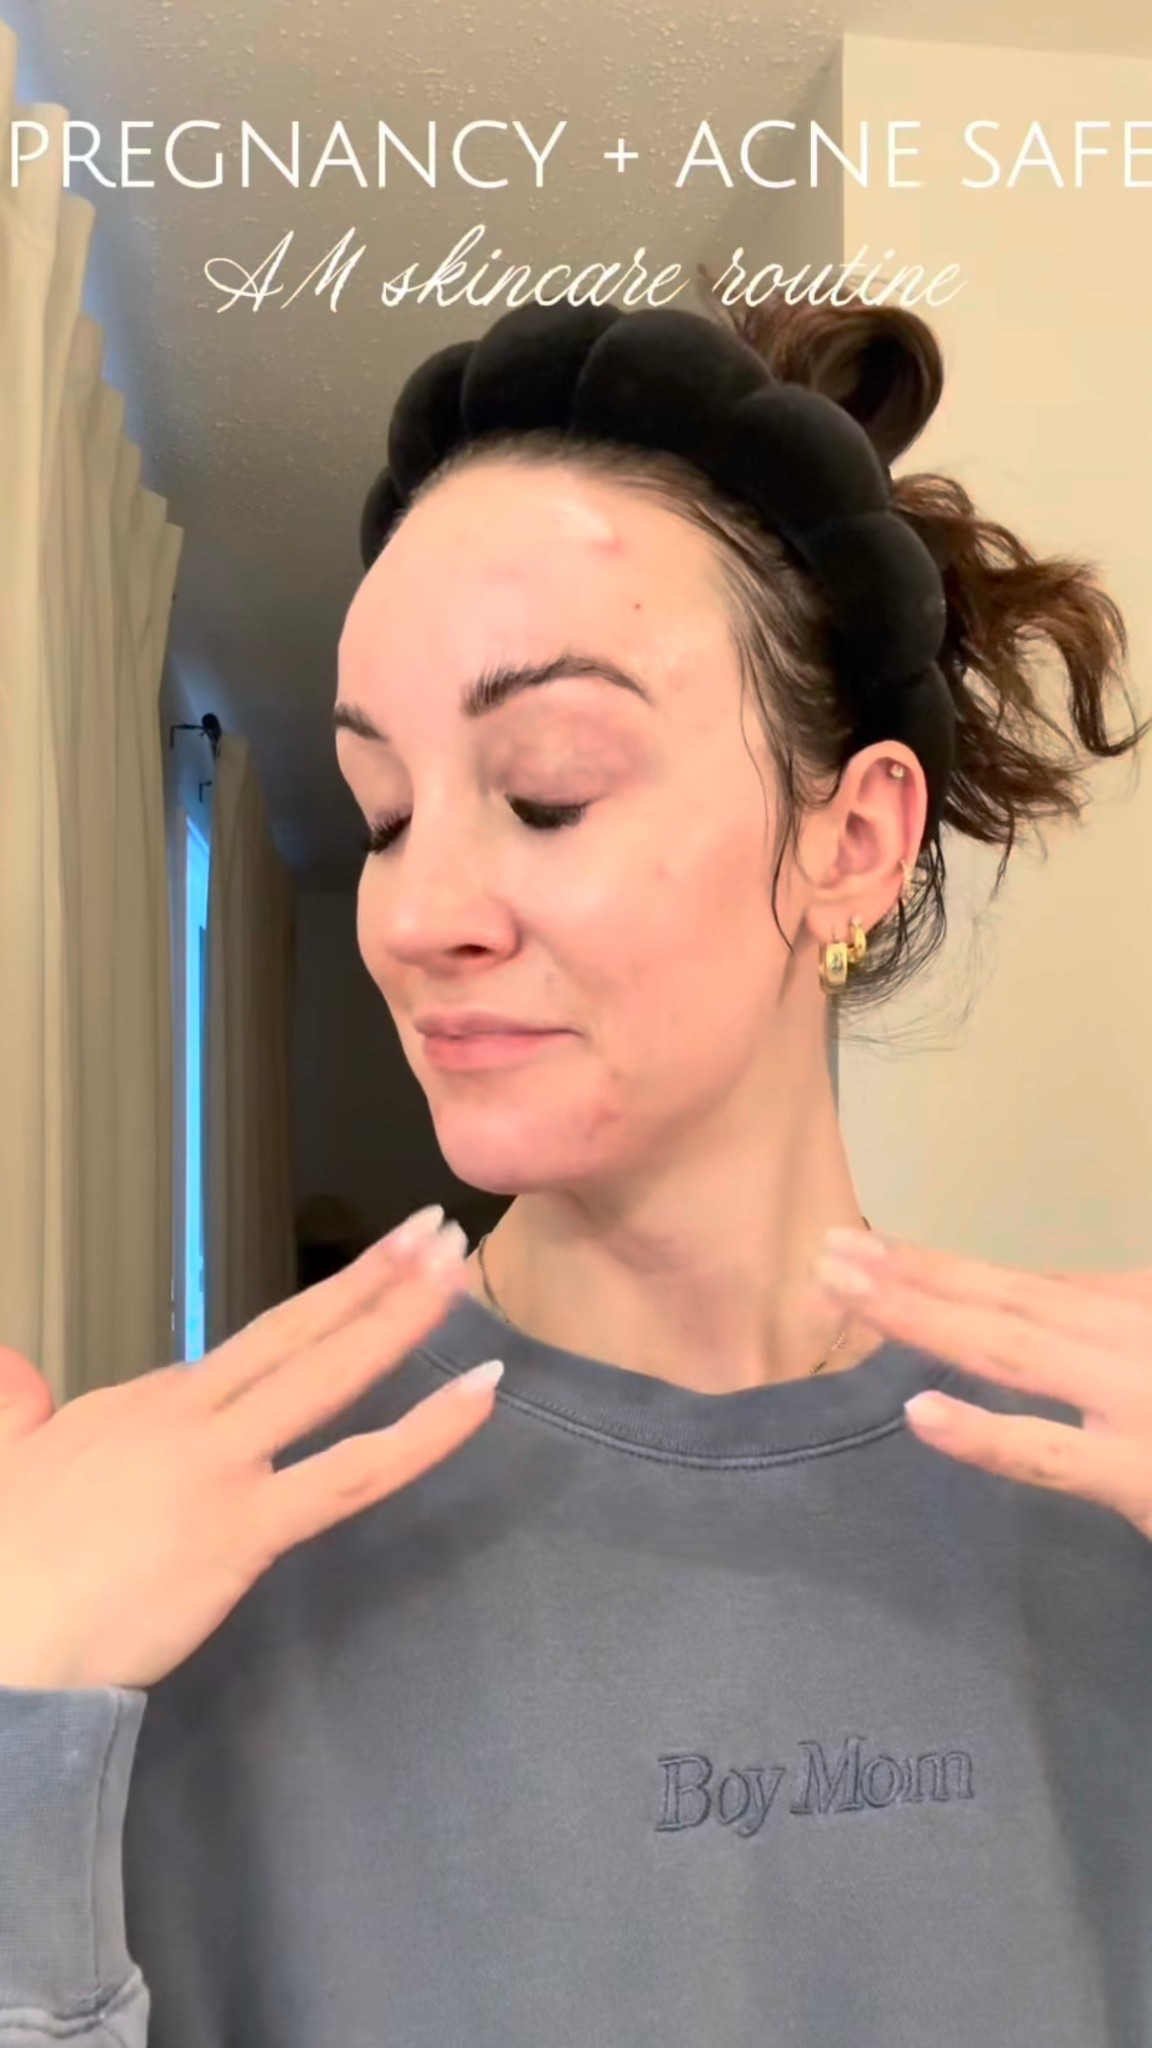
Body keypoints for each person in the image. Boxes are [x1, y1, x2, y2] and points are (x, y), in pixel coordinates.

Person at [1, 294, 1150, 2048]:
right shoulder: (169, 1563)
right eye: (385, 813)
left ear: (854, 840)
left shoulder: (1101, 1506)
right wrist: (20, 1726)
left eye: (545, 792)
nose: (414, 914)